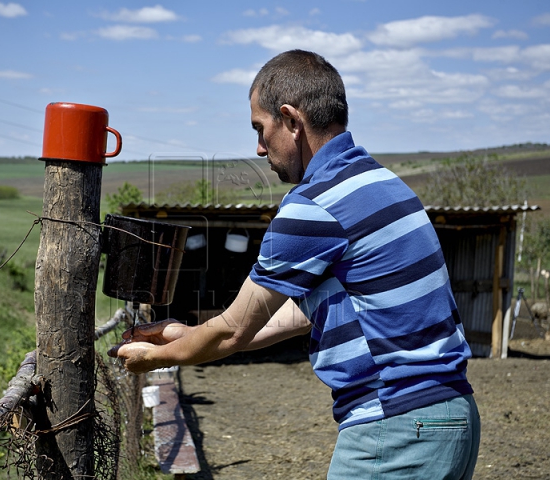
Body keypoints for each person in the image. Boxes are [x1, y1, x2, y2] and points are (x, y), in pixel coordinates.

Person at [108, 49, 481, 479]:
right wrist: (186, 336)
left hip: (394, 425)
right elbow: (302, 314)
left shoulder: (315, 205)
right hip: (450, 418)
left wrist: (156, 358)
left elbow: (232, 330)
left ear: (290, 119)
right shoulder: (383, 184)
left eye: (261, 129)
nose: (259, 147)